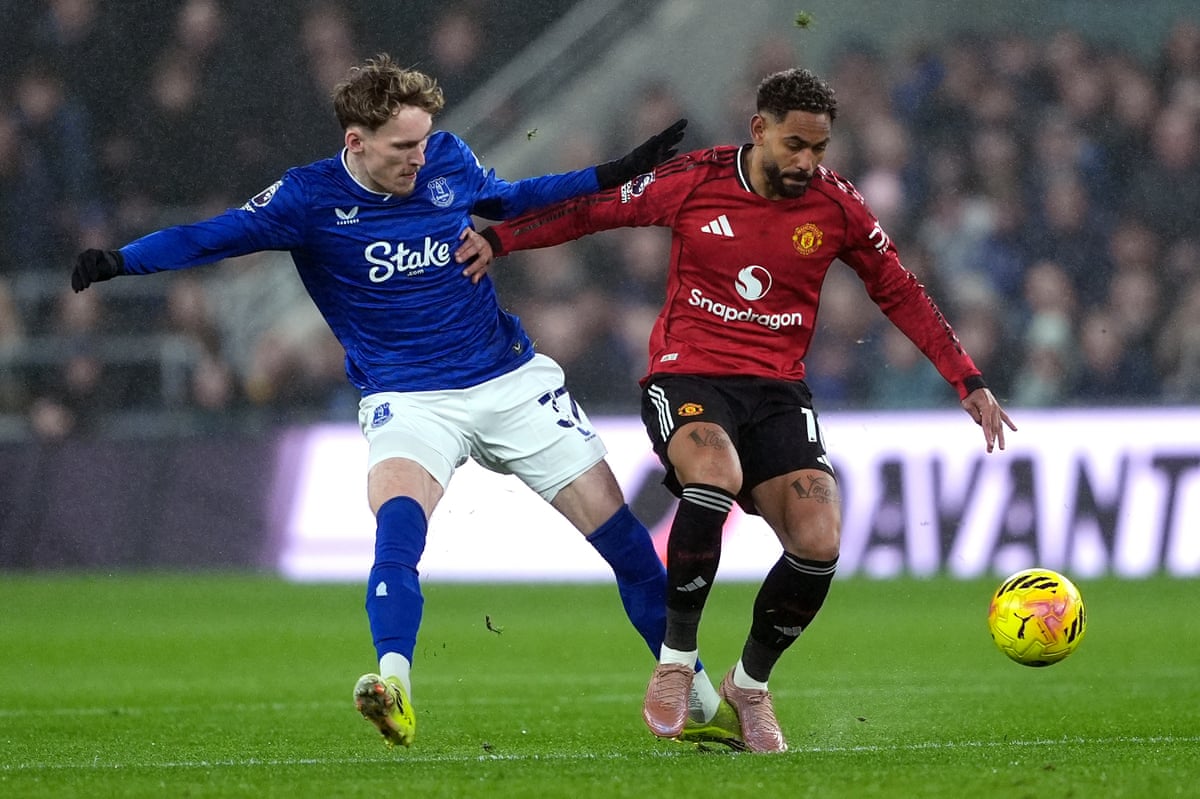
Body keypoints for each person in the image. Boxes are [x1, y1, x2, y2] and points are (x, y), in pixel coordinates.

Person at [68, 54, 741, 750]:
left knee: (625, 543)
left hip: (507, 379)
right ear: (355, 142)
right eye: (401, 148)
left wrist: (613, 171)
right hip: (409, 396)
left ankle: (693, 696)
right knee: (398, 529)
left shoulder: (447, 159)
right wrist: (120, 260)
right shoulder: (308, 198)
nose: (418, 159)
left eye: (423, 141)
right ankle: (395, 686)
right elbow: (206, 238)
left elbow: (513, 197)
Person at [465, 68, 1017, 753]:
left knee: (819, 540)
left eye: (819, 149)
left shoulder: (837, 206)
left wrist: (966, 378)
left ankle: (749, 684)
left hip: (779, 391)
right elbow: (592, 210)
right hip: (688, 373)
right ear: (759, 129)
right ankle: (674, 664)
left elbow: (898, 288)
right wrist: (501, 239)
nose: (807, 163)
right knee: (713, 472)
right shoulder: (695, 179)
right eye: (795, 145)